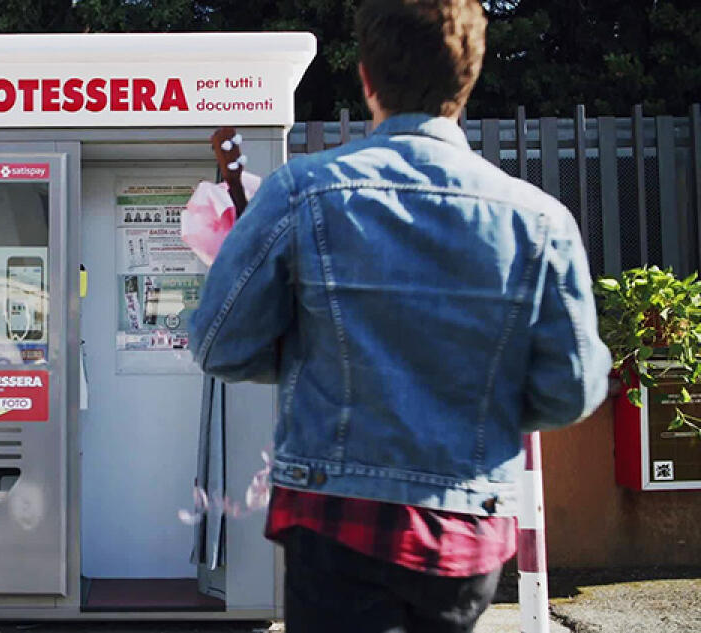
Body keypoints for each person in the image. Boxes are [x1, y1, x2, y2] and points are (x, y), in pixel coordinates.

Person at [187, 1, 612, 631]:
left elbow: (218, 342)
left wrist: (305, 352)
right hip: (464, 526)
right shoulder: (539, 220)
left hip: (333, 518)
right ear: (468, 77)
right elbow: (572, 389)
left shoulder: (304, 192)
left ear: (366, 79)